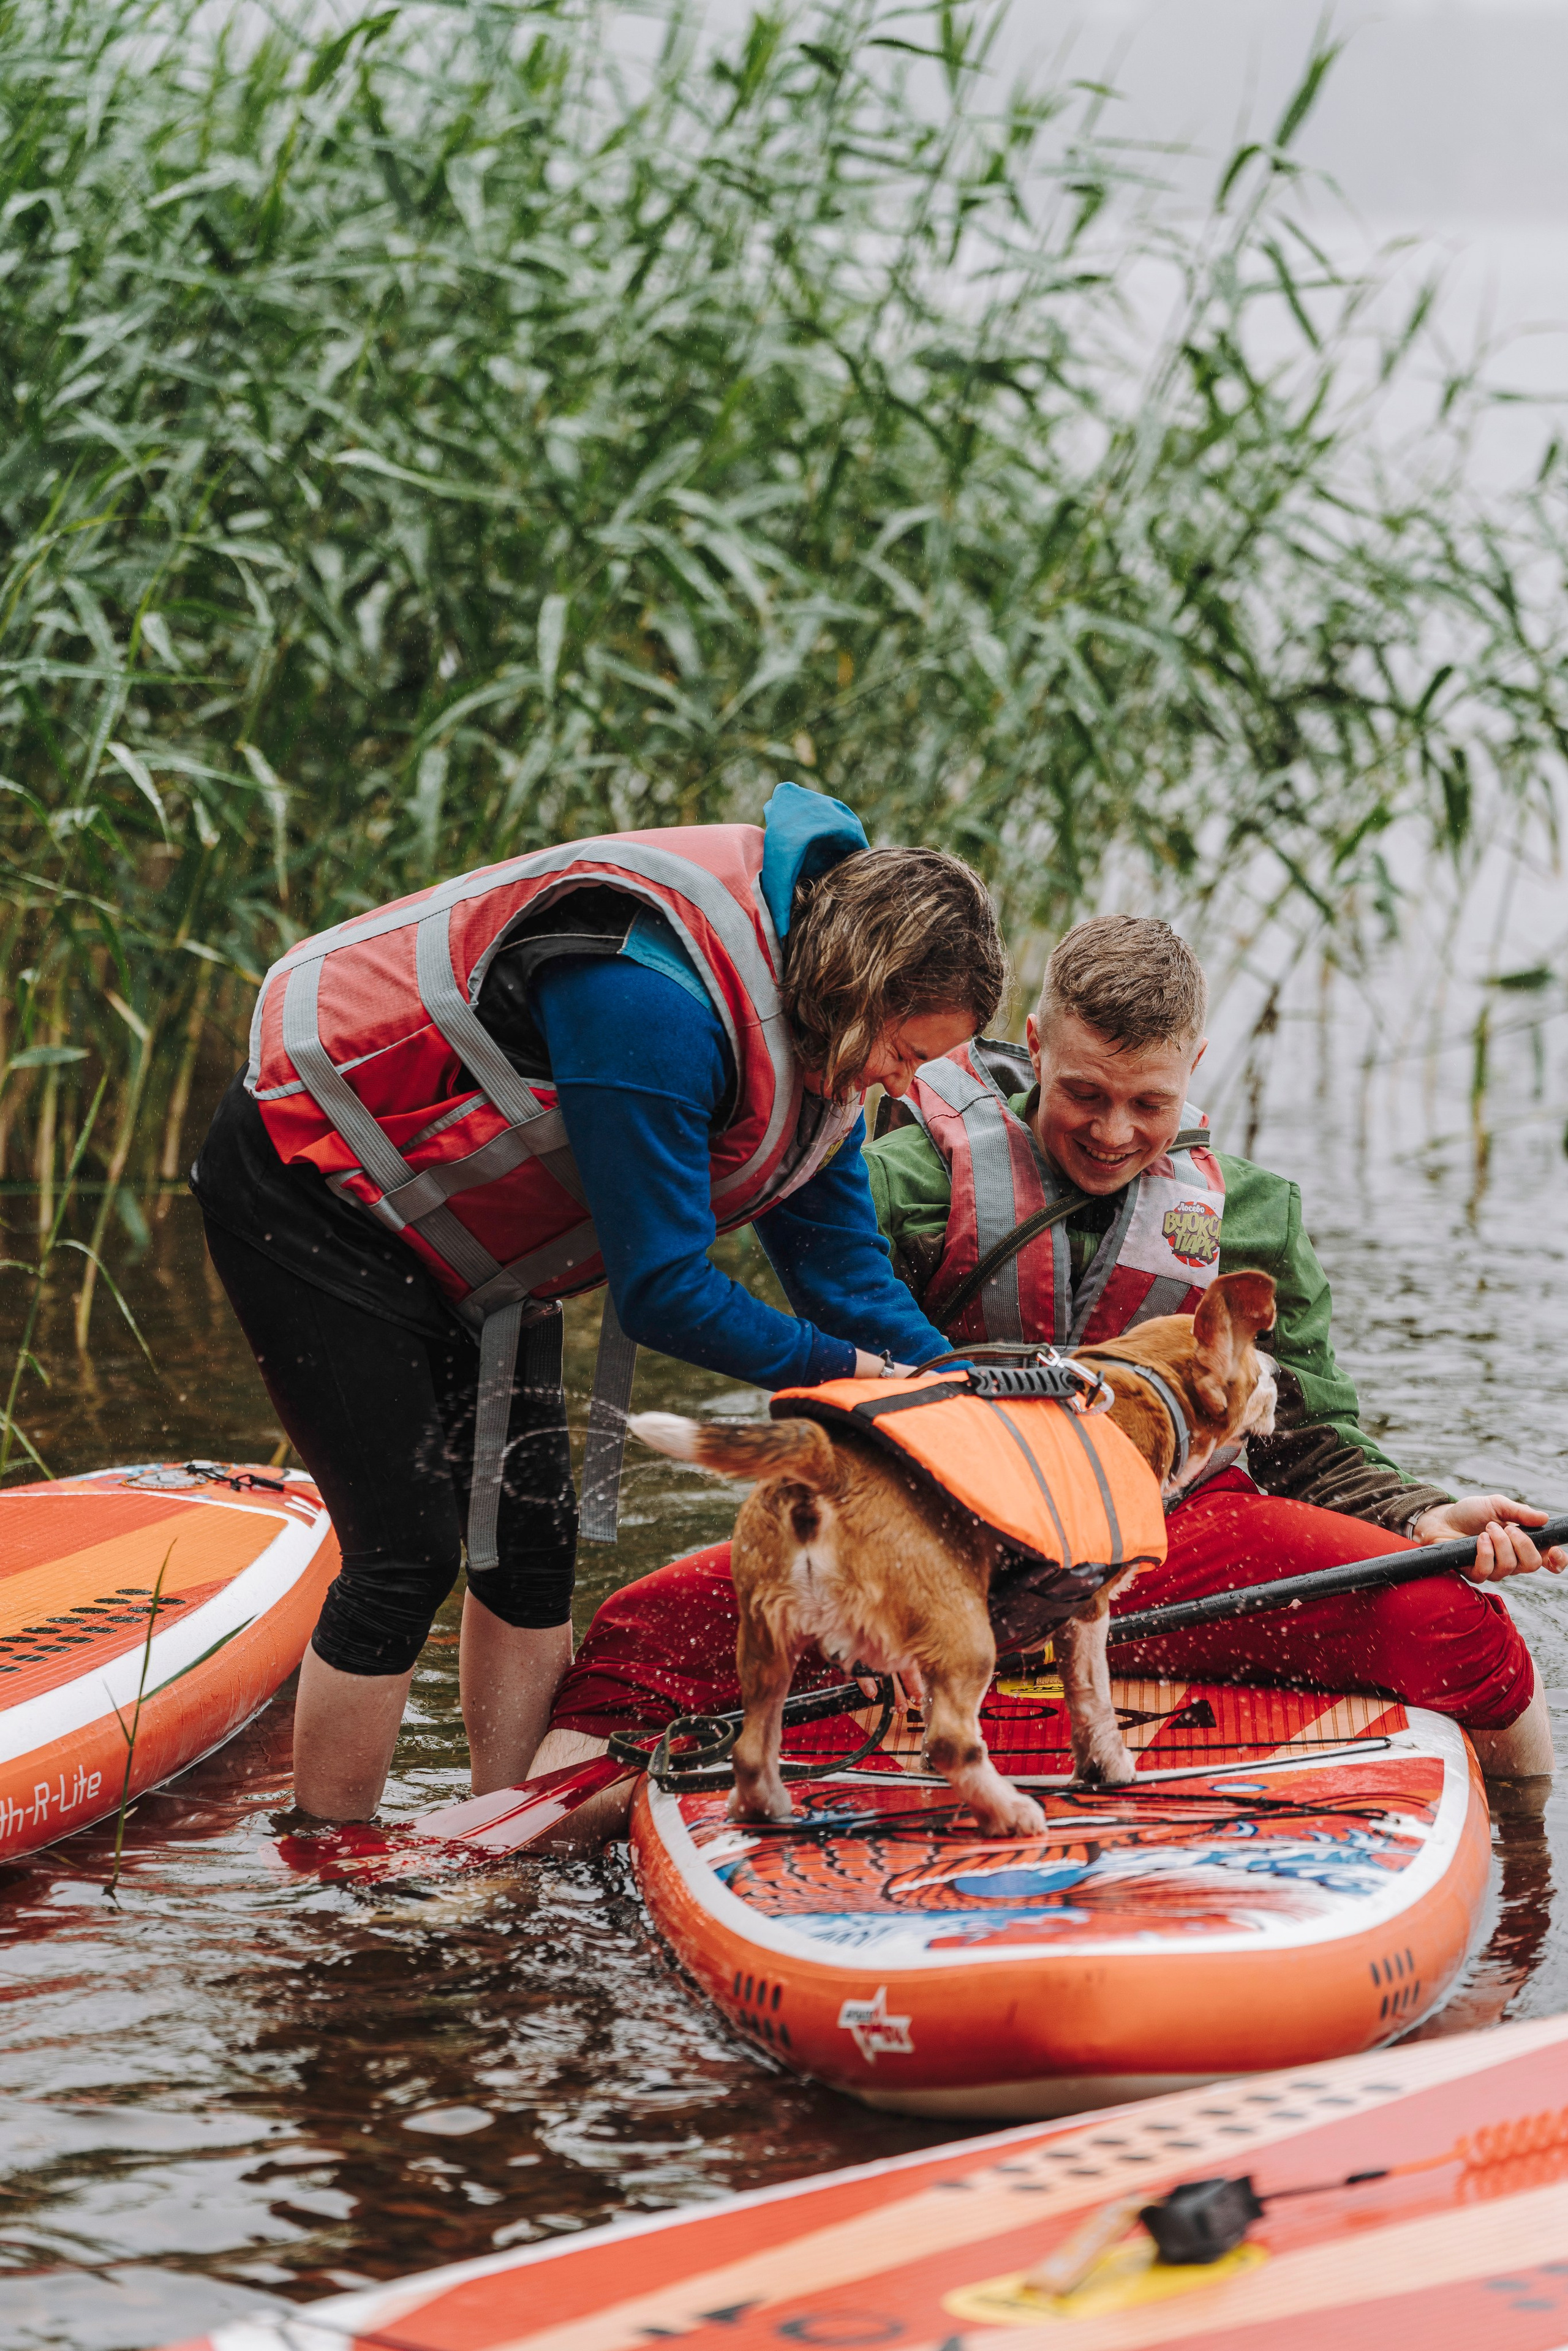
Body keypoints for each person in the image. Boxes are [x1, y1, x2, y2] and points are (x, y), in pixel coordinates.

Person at [537, 913, 1561, 1818]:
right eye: (1083, 1093)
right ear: (1034, 1045)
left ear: (1195, 1068)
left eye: (1150, 1103)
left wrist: (1421, 1516)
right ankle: (521, 1863)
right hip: (946, 1539)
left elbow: (1309, 1441)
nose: (1113, 1132)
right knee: (642, 1635)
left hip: (1167, 1546)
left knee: (1455, 1621)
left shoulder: (1255, 1217)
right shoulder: (900, 1180)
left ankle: (1525, 1880)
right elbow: (830, 1403)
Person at [191, 785, 1005, 1819]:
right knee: (406, 1553)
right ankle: (327, 1859)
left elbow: (845, 1278)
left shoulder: (827, 1042)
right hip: (313, 1182)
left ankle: (504, 1833)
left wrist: (959, 1388)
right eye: (906, 1053)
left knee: (532, 1547)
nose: (897, 1085)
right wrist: (849, 1372)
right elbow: (665, 1293)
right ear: (862, 990)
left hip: (471, 1241)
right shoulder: (651, 997)